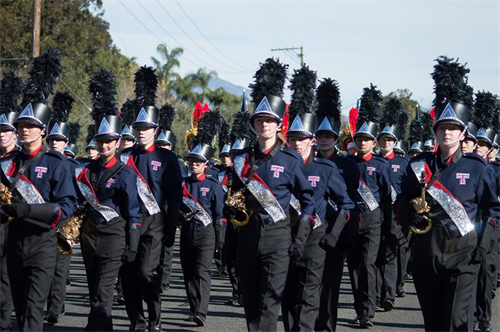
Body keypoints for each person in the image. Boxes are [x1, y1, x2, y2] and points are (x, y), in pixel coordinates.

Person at [397, 56, 500, 332]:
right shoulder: (419, 165)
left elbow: (492, 210)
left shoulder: (476, 168)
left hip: (463, 258)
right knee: (433, 324)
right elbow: (401, 200)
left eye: (453, 128)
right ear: (436, 131)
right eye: (443, 128)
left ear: (462, 132)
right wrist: (410, 214)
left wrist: (480, 247)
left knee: (456, 323)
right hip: (426, 257)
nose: (447, 133)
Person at [0, 49, 77, 332]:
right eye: (20, 125)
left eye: (30, 125)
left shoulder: (56, 164)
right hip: (13, 244)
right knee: (19, 313)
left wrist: (28, 209)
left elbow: (66, 206)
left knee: (33, 313)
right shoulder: (7, 163)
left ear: (42, 130)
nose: (23, 129)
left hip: (43, 245)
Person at [282, 67, 354, 332]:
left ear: (311, 141)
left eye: (301, 139)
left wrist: (333, 235)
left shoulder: (326, 169)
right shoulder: (280, 167)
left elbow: (347, 205)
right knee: (288, 298)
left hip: (314, 240)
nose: (296, 144)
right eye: (292, 139)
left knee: (309, 298)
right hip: (284, 238)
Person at [77, 68, 141, 332]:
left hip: (114, 238)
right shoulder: (87, 170)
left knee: (103, 296)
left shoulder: (126, 173)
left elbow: (133, 213)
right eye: (100, 141)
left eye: (109, 141)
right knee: (96, 295)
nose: (104, 146)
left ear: (118, 142)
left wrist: (132, 245)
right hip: (89, 237)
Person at [120, 66, 182, 332]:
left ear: (156, 129)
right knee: (129, 275)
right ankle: (137, 321)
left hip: (154, 223)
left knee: (147, 274)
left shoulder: (167, 159)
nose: (142, 132)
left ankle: (154, 317)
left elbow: (175, 198)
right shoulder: (125, 157)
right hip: (127, 222)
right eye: (138, 127)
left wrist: (170, 230)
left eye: (147, 128)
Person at [314, 78, 361, 332]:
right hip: (310, 231)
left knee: (330, 283)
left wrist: (346, 236)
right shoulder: (305, 164)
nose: (323, 140)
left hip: (336, 231)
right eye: (319, 135)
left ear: (335, 138)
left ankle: (327, 326)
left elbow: (351, 203)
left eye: (328, 136)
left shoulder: (348, 166)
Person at [346, 84, 392, 328]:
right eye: (359, 139)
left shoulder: (381, 166)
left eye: (366, 139)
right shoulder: (346, 164)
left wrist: (387, 226)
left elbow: (387, 199)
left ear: (374, 142)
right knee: (353, 268)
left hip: (373, 224)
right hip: (351, 223)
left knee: (366, 265)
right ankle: (359, 308)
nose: (362, 143)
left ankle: (367, 311)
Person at [180, 125, 226, 326]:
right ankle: (193, 308)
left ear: (206, 164)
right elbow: (173, 208)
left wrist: (220, 240)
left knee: (202, 273)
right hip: (186, 233)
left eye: (198, 161)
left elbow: (220, 215)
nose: (193, 164)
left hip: (206, 234)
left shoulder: (213, 185)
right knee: (188, 273)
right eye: (191, 160)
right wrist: (181, 216)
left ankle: (201, 311)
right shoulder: (182, 184)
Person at [44, 92, 78, 325]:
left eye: (59, 139)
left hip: (65, 222)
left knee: (60, 268)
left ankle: (55, 309)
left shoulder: (75, 167)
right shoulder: (39, 163)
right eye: (51, 139)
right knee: (44, 268)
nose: (54, 143)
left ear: (66, 143)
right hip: (44, 220)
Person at [375, 97, 410, 308]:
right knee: (377, 256)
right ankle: (379, 292)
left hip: (396, 214)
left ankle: (388, 294)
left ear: (395, 141)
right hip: (376, 213)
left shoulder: (403, 162)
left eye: (389, 140)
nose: (386, 143)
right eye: (383, 139)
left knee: (390, 254)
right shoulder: (374, 161)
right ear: (377, 141)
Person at [0, 70, 22, 332]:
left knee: (5, 277)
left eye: (6, 131)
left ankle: (4, 323)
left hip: (12, 222)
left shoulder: (21, 159)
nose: (2, 135)